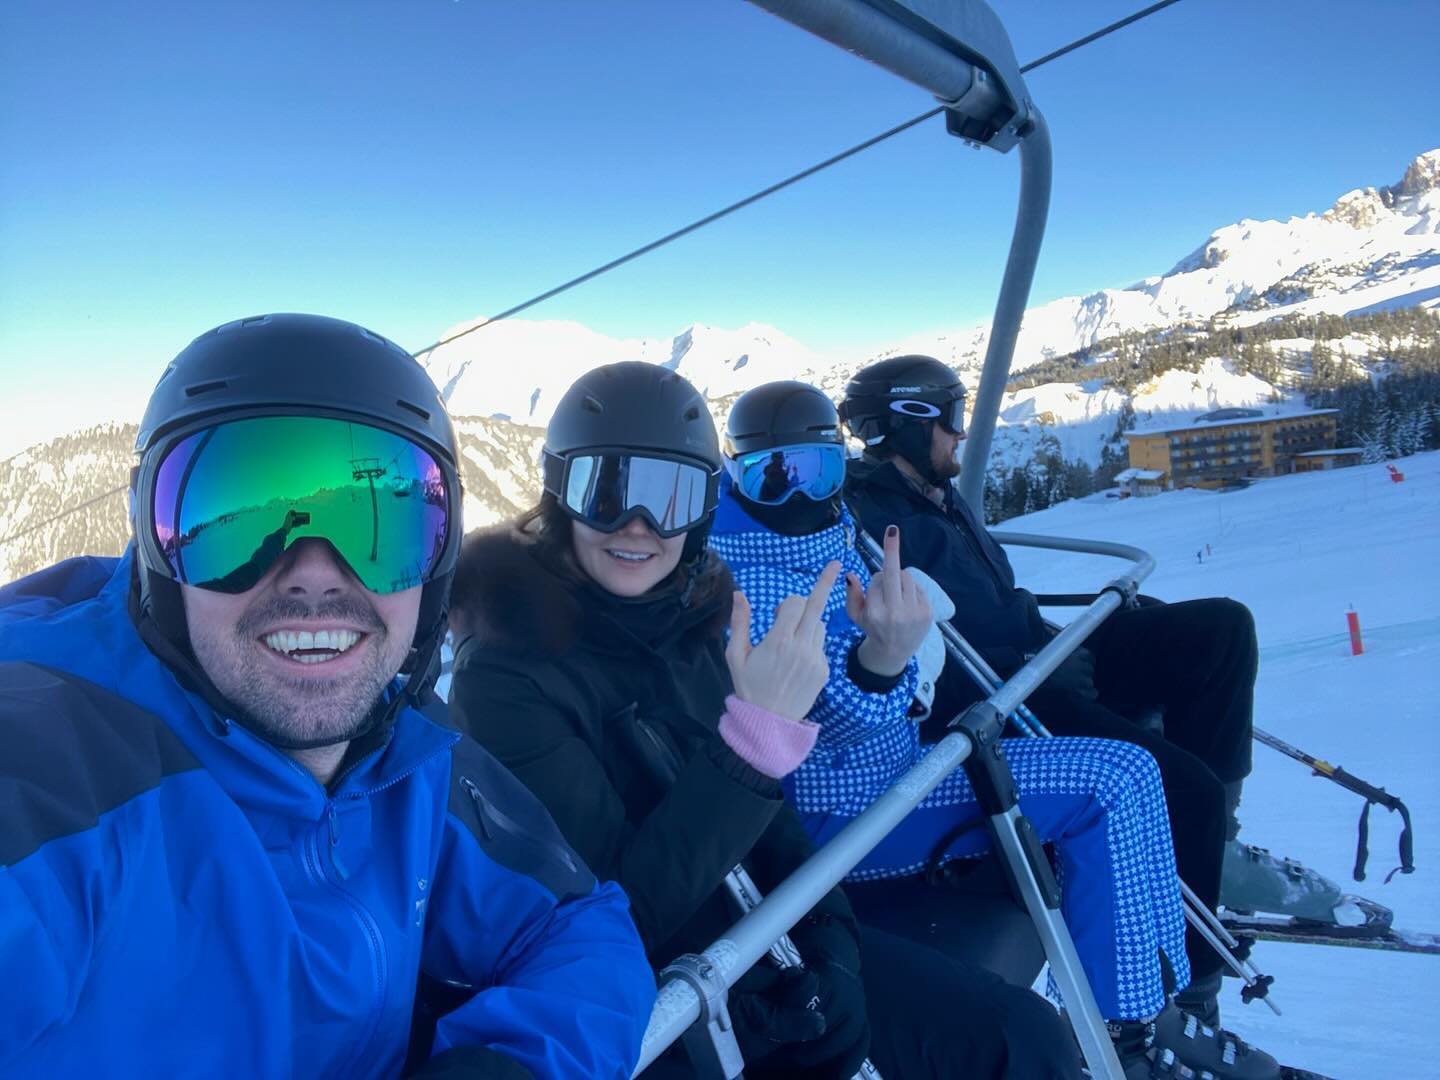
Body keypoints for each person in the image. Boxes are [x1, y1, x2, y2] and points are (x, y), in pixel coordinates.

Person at [0, 314, 655, 1078]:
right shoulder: (54, 772)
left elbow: (579, 929)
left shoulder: (403, 755)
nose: (315, 571)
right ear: (156, 555)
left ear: (436, 569)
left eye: (381, 530)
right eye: (236, 523)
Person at [447, 361, 1086, 1080]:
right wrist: (754, 746)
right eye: (608, 491)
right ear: (560, 492)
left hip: (769, 943)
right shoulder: (506, 675)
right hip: (667, 995)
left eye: (673, 494)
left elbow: (774, 828)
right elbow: (618, 912)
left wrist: (836, 947)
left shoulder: (694, 617)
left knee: (1021, 1038)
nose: (639, 525)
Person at [711, 380, 1284, 1080]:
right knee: (1108, 780)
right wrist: (883, 663)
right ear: (736, 475)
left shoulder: (833, 532)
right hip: (846, 816)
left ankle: (1154, 999)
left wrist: (910, 648)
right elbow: (823, 714)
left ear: (840, 465)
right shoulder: (751, 579)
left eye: (818, 471)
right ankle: (1131, 1036)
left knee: (1130, 774)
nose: (798, 494)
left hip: (903, 772)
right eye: (772, 477)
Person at [839, 355, 1365, 1000]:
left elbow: (997, 600)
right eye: (952, 417)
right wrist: (1039, 670)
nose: (961, 433)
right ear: (908, 422)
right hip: (1005, 697)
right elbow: (927, 662)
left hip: (1042, 658)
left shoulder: (941, 499)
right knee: (1186, 790)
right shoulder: (874, 525)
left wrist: (1058, 640)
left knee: (1219, 630)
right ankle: (1190, 990)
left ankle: (1215, 847)